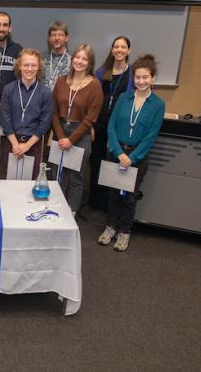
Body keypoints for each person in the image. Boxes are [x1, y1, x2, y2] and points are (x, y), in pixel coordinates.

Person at [98, 54, 165, 251]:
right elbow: (111, 126)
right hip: (117, 152)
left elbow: (150, 137)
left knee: (129, 196)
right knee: (112, 193)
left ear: (152, 78)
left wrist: (131, 158)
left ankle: (124, 232)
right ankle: (110, 227)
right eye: (137, 77)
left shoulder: (158, 105)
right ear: (133, 78)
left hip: (137, 157)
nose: (141, 81)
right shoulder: (123, 98)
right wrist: (119, 153)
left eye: (145, 77)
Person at [51, 44, 103, 214]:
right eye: (77, 57)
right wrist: (60, 137)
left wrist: (71, 140)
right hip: (59, 130)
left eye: (84, 58)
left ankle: (71, 213)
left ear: (90, 63)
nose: (80, 61)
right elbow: (53, 111)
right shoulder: (61, 81)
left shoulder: (94, 85)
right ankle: (53, 209)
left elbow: (90, 119)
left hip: (80, 134)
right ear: (72, 59)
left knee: (75, 177)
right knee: (56, 173)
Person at [89, 36, 134, 211]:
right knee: (97, 160)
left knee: (114, 162)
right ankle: (96, 201)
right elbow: (93, 99)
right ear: (112, 49)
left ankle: (111, 204)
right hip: (99, 123)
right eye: (116, 47)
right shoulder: (102, 72)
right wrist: (91, 125)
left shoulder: (132, 74)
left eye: (123, 47)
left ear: (128, 50)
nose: (119, 50)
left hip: (118, 125)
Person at [0, 49, 52, 179]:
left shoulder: (45, 93)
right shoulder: (9, 89)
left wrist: (27, 145)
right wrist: (16, 145)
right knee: (10, 182)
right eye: (26, 65)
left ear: (39, 67)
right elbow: (5, 119)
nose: (29, 69)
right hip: (12, 143)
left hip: (34, 145)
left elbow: (44, 123)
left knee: (29, 184)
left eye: (33, 65)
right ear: (19, 66)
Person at [42, 21, 71, 91]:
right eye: (53, 35)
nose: (57, 38)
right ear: (49, 38)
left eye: (60, 35)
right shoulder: (41, 58)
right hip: (44, 99)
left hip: (65, 99)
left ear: (66, 38)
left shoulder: (73, 59)